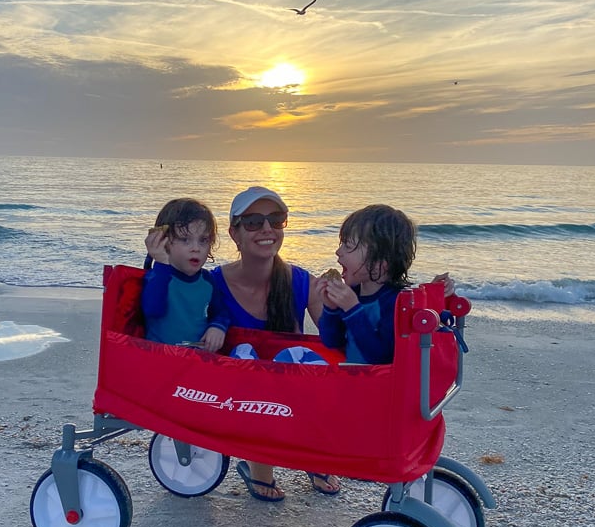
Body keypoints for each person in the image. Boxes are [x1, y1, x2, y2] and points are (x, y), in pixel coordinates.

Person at [210, 186, 341, 502]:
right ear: (234, 233)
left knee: (310, 368)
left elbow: (334, 339)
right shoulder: (213, 282)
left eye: (276, 219)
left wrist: (337, 302)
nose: (267, 229)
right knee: (253, 370)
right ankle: (259, 470)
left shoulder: (299, 281)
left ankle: (313, 457)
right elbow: (177, 306)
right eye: (254, 221)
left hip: (292, 393)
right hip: (237, 396)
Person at [317, 204, 452, 364]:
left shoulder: (397, 302)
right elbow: (332, 342)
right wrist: (330, 309)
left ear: (380, 263)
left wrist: (353, 310)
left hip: (383, 386)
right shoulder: (352, 293)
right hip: (354, 381)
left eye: (348, 245)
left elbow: (381, 357)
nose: (338, 252)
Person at [141, 197, 230, 351]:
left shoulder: (207, 280)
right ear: (164, 241)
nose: (196, 248)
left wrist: (217, 327)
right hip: (160, 359)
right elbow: (152, 309)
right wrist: (161, 263)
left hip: (195, 360)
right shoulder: (156, 277)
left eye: (203, 240)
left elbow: (220, 311)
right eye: (185, 239)